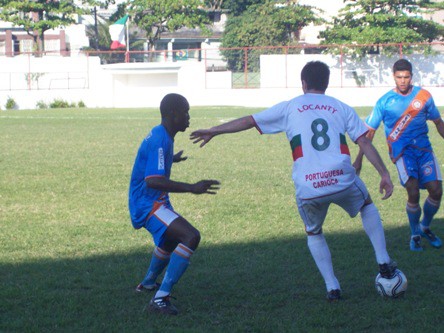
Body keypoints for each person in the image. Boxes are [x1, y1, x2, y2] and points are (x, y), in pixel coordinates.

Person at [190, 61, 401, 301]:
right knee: (366, 205)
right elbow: (364, 142)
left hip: (308, 187)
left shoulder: (290, 107)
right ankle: (383, 260)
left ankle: (332, 287)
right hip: (342, 179)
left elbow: (249, 121)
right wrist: (384, 174)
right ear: (326, 83)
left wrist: (214, 131)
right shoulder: (340, 107)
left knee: (314, 232)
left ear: (303, 84)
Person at [129, 93, 220, 315]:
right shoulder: (161, 140)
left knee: (170, 238)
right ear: (173, 114)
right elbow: (153, 181)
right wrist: (192, 187)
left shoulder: (162, 135)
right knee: (190, 236)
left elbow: (152, 163)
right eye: (185, 112)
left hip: (151, 200)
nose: (188, 117)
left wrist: (172, 159)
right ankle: (160, 299)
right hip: (147, 204)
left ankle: (149, 283)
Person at [354, 59, 443, 252]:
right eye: (399, 77)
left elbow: (438, 122)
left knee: (436, 190)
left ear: (412, 76)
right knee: (412, 190)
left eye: (406, 77)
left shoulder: (424, 96)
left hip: (424, 150)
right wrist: (359, 158)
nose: (403, 81)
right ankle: (415, 233)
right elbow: (369, 133)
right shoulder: (384, 102)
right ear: (394, 77)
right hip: (402, 154)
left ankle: (425, 226)